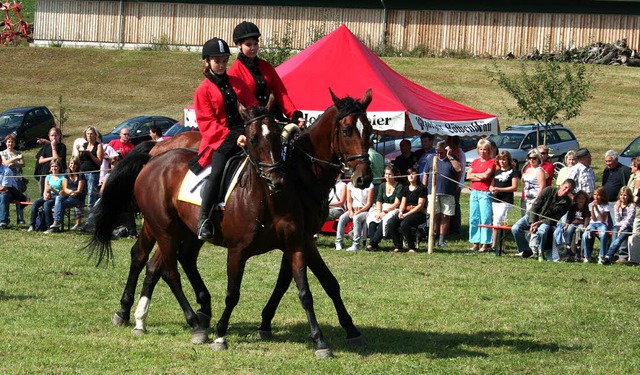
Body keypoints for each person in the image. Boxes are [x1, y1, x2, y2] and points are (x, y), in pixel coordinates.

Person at [194, 37, 258, 240]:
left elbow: (253, 105)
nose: (221, 65)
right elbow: (207, 124)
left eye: (223, 61)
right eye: (217, 61)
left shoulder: (238, 82)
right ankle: (204, 219)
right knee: (217, 173)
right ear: (207, 62)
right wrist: (234, 137)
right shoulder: (202, 90)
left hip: (246, 136)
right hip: (220, 141)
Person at [228, 21, 303, 124]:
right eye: (249, 45)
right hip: (250, 121)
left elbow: (280, 93)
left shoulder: (267, 66)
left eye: (255, 44)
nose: (253, 48)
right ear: (239, 45)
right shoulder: (234, 72)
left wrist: (293, 114)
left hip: (272, 116)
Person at [511, 179, 576, 260]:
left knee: (542, 231)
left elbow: (555, 218)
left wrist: (539, 223)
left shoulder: (567, 203)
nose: (566, 190)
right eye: (565, 187)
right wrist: (533, 222)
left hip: (545, 222)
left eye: (569, 190)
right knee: (515, 228)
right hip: (532, 216)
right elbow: (535, 207)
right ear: (561, 185)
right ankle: (525, 250)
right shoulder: (548, 190)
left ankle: (540, 253)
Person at [423, 141, 462, 247]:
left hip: (448, 191)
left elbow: (459, 169)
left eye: (441, 152)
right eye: (437, 152)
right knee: (434, 215)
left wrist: (449, 156)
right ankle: (432, 238)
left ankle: (442, 240)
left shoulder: (452, 158)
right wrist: (423, 188)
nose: (439, 155)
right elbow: (425, 174)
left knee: (445, 215)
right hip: (433, 191)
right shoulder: (431, 158)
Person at [387, 167, 427, 253]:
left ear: (417, 176)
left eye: (413, 174)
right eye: (409, 174)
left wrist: (406, 215)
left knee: (404, 224)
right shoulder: (405, 188)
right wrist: (401, 211)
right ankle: (398, 246)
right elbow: (403, 202)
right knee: (391, 222)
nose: (411, 176)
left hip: (418, 213)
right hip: (405, 211)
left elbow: (420, 205)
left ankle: (411, 247)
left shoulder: (422, 188)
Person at [467, 139, 495, 252]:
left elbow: (486, 176)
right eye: (481, 149)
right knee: (474, 217)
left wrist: (476, 175)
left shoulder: (492, 162)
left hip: (485, 192)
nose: (483, 151)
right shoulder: (475, 161)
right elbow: (468, 176)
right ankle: (475, 242)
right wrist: (479, 175)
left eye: (485, 149)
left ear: (488, 150)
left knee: (485, 217)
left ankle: (485, 243)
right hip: (474, 191)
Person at [489, 150, 521, 251]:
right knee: (496, 222)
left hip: (506, 200)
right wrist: (492, 188)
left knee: (500, 221)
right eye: (500, 160)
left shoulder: (513, 171)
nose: (502, 162)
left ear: (508, 160)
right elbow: (492, 184)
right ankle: (497, 245)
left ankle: (497, 245)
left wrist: (499, 189)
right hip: (495, 200)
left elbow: (514, 187)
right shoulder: (497, 172)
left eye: (504, 159)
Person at [366, 165, 403, 251]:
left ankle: (372, 244)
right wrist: (379, 212)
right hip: (381, 207)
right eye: (386, 174)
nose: (387, 176)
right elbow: (379, 200)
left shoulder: (399, 186)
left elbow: (397, 203)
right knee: (372, 221)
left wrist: (385, 212)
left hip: (393, 209)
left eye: (389, 174)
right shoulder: (382, 185)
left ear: (394, 175)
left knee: (384, 221)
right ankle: (375, 246)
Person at [46, 157, 86, 233]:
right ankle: (57, 222)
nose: (72, 165)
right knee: (58, 198)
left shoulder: (81, 175)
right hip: (69, 194)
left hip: (77, 197)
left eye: (74, 164)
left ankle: (56, 224)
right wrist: (70, 192)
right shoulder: (67, 174)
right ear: (69, 164)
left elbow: (79, 190)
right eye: (71, 163)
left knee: (58, 206)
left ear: (77, 165)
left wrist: (74, 193)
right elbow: (65, 188)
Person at [335, 180, 374, 251]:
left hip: (365, 211)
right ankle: (338, 242)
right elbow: (349, 201)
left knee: (356, 218)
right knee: (342, 218)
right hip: (353, 210)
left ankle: (356, 244)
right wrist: (350, 211)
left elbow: (369, 203)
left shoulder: (369, 185)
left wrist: (359, 211)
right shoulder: (350, 185)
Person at [553, 190, 590, 262]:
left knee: (578, 232)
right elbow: (569, 217)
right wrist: (567, 224)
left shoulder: (586, 208)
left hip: (581, 224)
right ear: (576, 199)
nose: (581, 200)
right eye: (579, 198)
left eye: (583, 198)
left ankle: (578, 253)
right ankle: (568, 251)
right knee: (569, 231)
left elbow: (587, 218)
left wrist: (585, 226)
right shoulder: (573, 207)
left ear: (585, 199)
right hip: (573, 223)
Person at [28, 161, 64, 232]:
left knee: (46, 204)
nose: (54, 168)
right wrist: (45, 195)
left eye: (56, 166)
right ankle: (32, 225)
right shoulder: (48, 177)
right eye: (52, 166)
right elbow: (45, 189)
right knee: (35, 203)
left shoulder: (62, 177)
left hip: (56, 196)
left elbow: (60, 193)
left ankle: (49, 227)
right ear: (50, 168)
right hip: (48, 195)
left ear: (59, 167)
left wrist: (52, 189)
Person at [603, 187, 635, 264]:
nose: (622, 197)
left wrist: (622, 229)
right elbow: (617, 220)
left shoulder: (631, 206)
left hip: (627, 226)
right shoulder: (617, 205)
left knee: (618, 239)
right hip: (617, 226)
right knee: (614, 240)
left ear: (629, 196)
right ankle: (610, 258)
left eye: (625, 195)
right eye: (621, 195)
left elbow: (629, 219)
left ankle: (608, 256)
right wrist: (617, 209)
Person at [1, 134, 26, 224]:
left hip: (18, 179)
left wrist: (14, 164)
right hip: (6, 180)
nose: (10, 143)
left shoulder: (18, 152)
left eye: (12, 141)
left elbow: (23, 164)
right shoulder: (2, 153)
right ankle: (5, 218)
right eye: (9, 141)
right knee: (5, 197)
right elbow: (5, 163)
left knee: (19, 198)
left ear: (14, 143)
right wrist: (15, 159)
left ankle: (20, 218)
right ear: (6, 143)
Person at [581, 186, 611, 263]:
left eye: (598, 195)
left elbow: (602, 219)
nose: (596, 197)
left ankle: (602, 256)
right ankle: (587, 256)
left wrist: (597, 209)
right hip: (593, 224)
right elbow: (593, 219)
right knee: (585, 235)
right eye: (594, 194)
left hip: (602, 224)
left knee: (603, 234)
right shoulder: (590, 204)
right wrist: (593, 208)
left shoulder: (606, 205)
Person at [602, 150, 631, 224]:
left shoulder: (624, 170)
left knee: (617, 224)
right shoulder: (606, 170)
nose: (607, 163)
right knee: (607, 224)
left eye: (610, 161)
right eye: (606, 161)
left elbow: (627, 187)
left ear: (616, 160)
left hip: (617, 203)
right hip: (606, 202)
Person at [78, 126, 104, 210]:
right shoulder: (84, 145)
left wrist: (90, 154)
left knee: (91, 195)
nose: (89, 136)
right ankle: (80, 214)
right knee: (81, 193)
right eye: (88, 134)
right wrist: (79, 152)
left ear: (95, 135)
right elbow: (79, 159)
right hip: (82, 173)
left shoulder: (98, 146)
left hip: (93, 173)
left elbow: (99, 162)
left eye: (91, 134)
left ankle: (91, 215)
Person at [35, 127, 67, 195]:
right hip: (45, 173)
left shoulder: (62, 146)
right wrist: (51, 158)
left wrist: (53, 147)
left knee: (57, 194)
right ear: (49, 136)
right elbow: (40, 160)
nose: (54, 137)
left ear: (59, 136)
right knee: (44, 193)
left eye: (56, 135)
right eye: (52, 136)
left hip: (57, 175)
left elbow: (57, 160)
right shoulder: (46, 146)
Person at [446, 135, 466, 235]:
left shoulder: (459, 153)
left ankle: (456, 229)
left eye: (448, 141)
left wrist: (457, 185)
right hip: (449, 184)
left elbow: (460, 171)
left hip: (456, 184)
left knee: (455, 206)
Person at [0, 161, 26, 228]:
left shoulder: (7, 171)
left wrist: (2, 188)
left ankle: (3, 222)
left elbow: (4, 188)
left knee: (3, 196)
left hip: (11, 192)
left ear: (0, 161)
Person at [626, 157, 640, 264]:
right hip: (631, 210)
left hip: (637, 212)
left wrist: (628, 201)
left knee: (636, 235)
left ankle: (634, 259)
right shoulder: (633, 176)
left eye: (632, 165)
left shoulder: (639, 179)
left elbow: (636, 196)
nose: (631, 167)